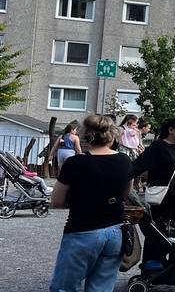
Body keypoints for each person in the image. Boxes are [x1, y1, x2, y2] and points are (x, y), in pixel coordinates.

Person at [48, 115, 133, 292]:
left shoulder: (75, 162)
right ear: (112, 135)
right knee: (101, 287)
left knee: (65, 287)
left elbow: (56, 201)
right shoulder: (124, 161)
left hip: (82, 230)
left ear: (86, 134)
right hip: (115, 230)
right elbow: (124, 194)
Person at [131, 117, 175, 268]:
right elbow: (136, 167)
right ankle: (152, 266)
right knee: (158, 233)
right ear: (171, 130)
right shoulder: (158, 147)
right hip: (162, 200)